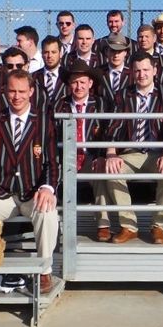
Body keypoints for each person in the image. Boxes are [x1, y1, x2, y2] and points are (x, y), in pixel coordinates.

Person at [0, 70, 60, 294]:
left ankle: (44, 271)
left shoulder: (44, 121)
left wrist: (48, 187)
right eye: (12, 91)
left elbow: (52, 161)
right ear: (5, 91)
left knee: (48, 212)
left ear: (31, 92)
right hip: (1, 192)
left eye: (22, 91)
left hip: (31, 192)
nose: (17, 96)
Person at [101, 52, 163, 244]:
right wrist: (111, 153)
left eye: (145, 70)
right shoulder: (123, 94)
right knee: (111, 169)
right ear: (131, 72)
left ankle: (159, 226)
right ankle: (129, 226)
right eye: (137, 70)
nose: (141, 74)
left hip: (157, 153)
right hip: (131, 152)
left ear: (154, 70)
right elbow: (112, 127)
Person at [54, 60, 110, 241]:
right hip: (65, 157)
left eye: (82, 82)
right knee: (52, 176)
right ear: (69, 84)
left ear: (90, 84)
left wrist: (101, 156)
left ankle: (103, 224)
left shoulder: (101, 105)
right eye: (75, 82)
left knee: (100, 172)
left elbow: (108, 133)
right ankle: (57, 227)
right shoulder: (59, 105)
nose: (78, 86)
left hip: (90, 155)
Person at [98, 33, 132, 107]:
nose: (116, 55)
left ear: (125, 52)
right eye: (113, 51)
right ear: (107, 51)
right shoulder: (98, 73)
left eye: (119, 51)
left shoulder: (132, 74)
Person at [33, 35, 66, 106]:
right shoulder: (33, 77)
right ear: (42, 54)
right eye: (46, 52)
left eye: (53, 52)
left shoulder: (68, 77)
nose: (49, 56)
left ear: (60, 54)